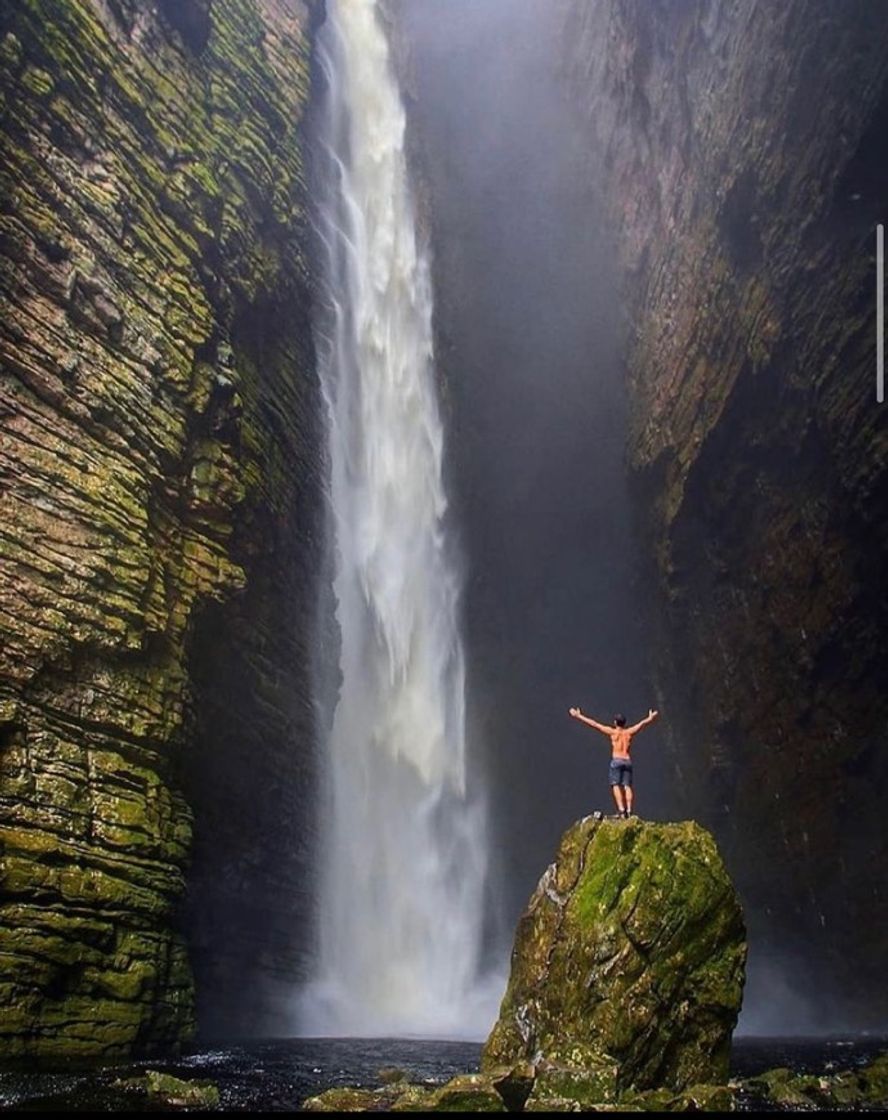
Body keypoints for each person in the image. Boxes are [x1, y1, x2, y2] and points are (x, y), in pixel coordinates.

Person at [568, 706, 659, 818]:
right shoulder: (628, 733)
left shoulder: (613, 733)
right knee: (627, 786)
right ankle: (629, 810)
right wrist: (650, 718)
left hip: (617, 760)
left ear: (615, 722)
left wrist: (579, 716)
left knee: (615, 784)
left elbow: (595, 724)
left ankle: (622, 810)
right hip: (627, 760)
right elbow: (641, 724)